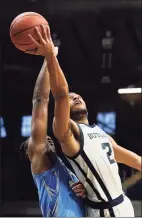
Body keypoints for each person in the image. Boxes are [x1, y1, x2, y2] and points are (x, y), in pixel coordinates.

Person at [26, 24, 142, 217]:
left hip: (124, 205)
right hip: (104, 212)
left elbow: (137, 160)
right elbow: (59, 94)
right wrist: (50, 56)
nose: (75, 97)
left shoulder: (102, 135)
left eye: (78, 96)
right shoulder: (68, 132)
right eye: (71, 98)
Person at [20, 48, 86, 217]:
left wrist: (85, 190)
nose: (46, 137)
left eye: (47, 136)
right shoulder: (40, 165)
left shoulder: (67, 170)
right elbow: (40, 101)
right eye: (36, 139)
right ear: (30, 154)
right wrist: (48, 59)